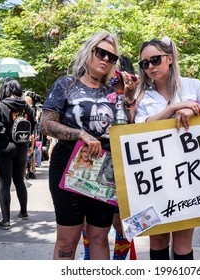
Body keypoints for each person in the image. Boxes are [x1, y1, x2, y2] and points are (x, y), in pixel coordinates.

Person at [40, 31, 135, 260]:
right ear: (88, 52)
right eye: (101, 52)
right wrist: (80, 133)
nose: (105, 59)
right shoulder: (66, 84)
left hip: (105, 167)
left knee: (100, 237)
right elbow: (46, 124)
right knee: (67, 239)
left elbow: (126, 130)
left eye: (112, 57)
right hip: (68, 163)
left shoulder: (115, 93)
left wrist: (130, 98)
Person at [134, 37, 200, 260]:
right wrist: (174, 107)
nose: (150, 67)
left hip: (189, 176)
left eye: (155, 60)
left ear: (169, 59)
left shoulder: (194, 85)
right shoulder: (141, 94)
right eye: (144, 63)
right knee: (158, 239)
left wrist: (195, 111)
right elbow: (138, 128)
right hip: (154, 178)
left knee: (183, 243)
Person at [81, 55, 137, 260]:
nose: (117, 81)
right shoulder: (94, 92)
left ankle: (120, 262)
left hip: (125, 166)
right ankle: (89, 256)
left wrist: (129, 99)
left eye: (121, 77)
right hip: (97, 162)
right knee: (89, 218)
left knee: (122, 220)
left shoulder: (135, 97)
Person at [0, 78, 36, 230]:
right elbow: (32, 126)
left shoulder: (1, 106)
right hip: (22, 146)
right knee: (19, 180)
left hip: (4, 147)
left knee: (4, 183)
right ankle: (23, 212)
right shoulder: (27, 107)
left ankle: (6, 220)